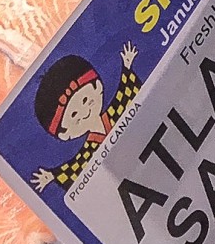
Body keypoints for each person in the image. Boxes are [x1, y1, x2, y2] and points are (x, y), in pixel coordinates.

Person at [31, 42, 140, 192]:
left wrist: (127, 67)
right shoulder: (88, 150)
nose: (84, 112)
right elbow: (76, 167)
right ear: (64, 133)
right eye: (74, 115)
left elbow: (124, 96)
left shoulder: (114, 112)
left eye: (85, 100)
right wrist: (52, 176)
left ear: (97, 86)